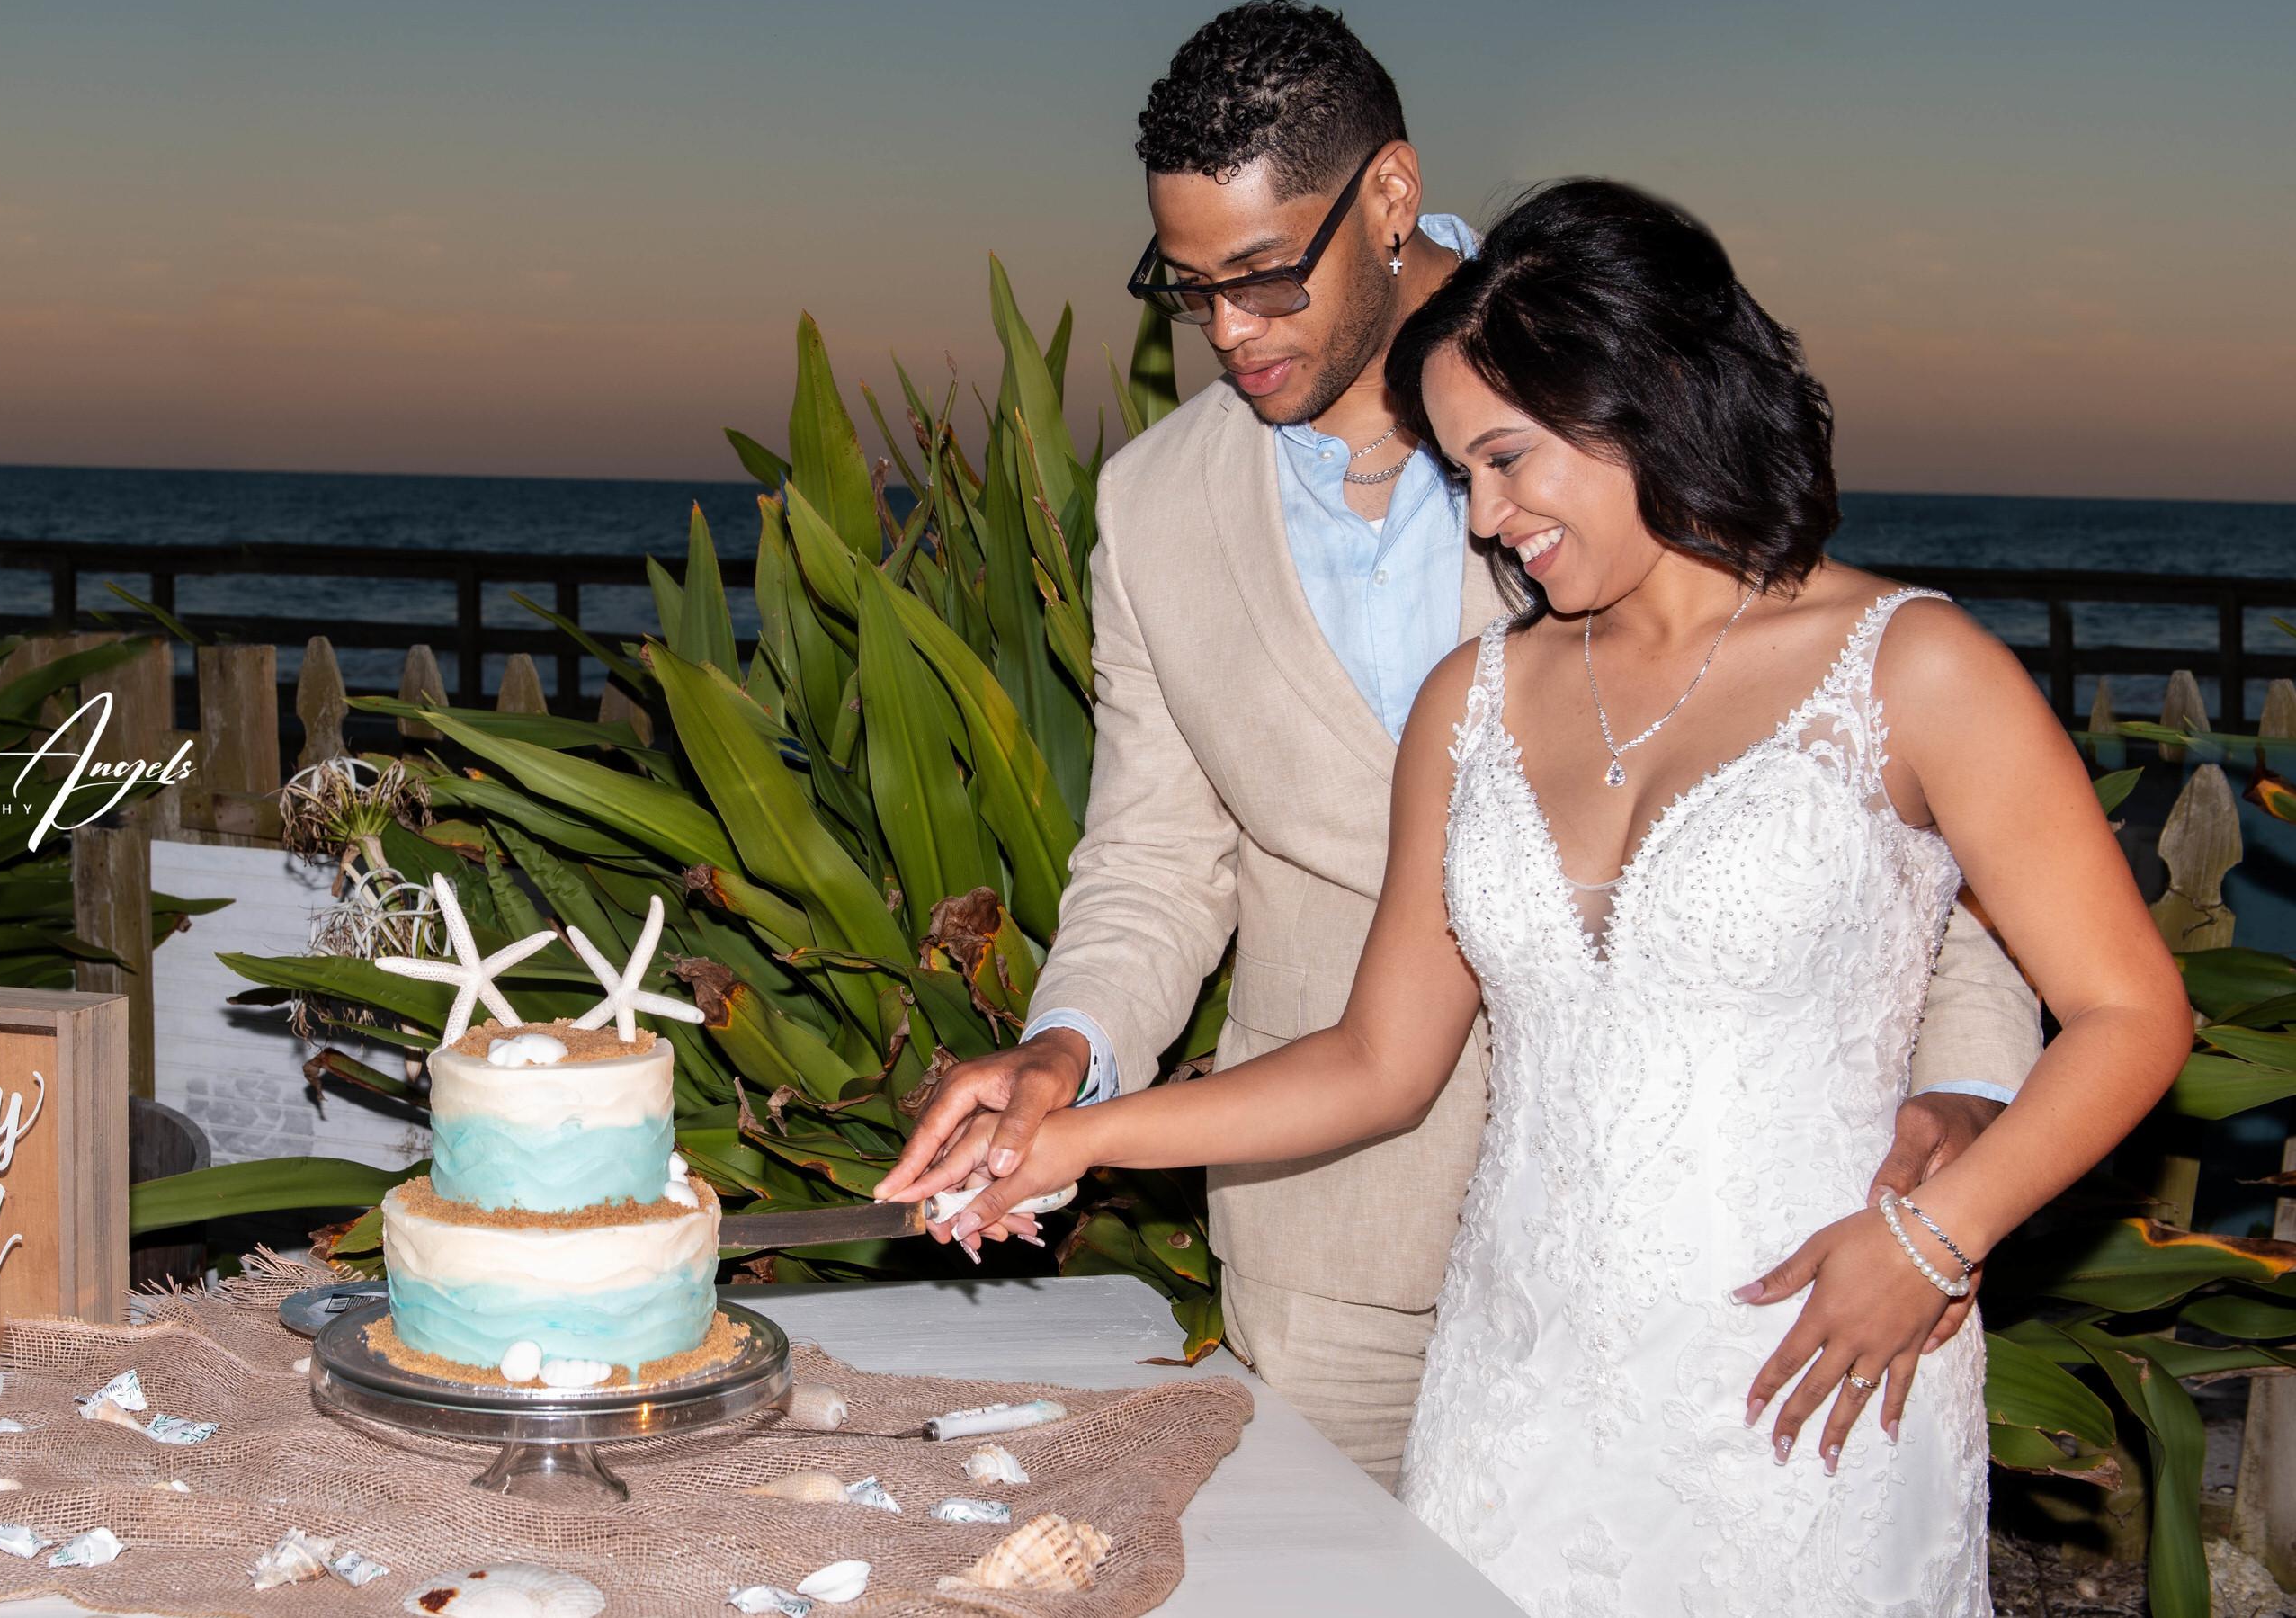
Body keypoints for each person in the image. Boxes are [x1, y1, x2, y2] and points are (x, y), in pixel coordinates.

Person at [901, 178, 2194, 1613]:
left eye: (1509, 460)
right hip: (1517, 1387)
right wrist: (1070, 1136)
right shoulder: (1471, 700)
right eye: (1464, 473)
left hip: (1813, 1364)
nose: (1486, 516)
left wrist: (1938, 1237)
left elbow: (2131, 1012)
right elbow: (1376, 1061)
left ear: (1652, 395)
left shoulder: (1916, 667)